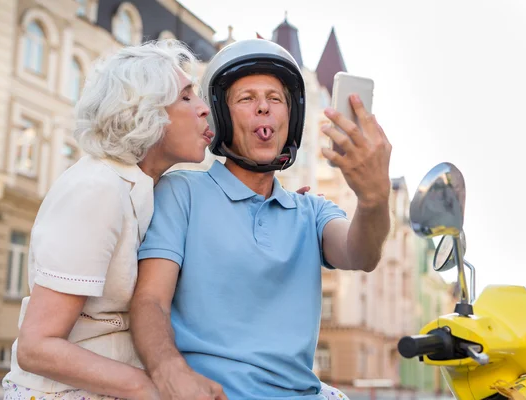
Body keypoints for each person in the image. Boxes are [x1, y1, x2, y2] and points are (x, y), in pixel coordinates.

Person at [130, 39, 391, 400]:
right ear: (221, 116)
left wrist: (374, 198)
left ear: (292, 118)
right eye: (247, 98)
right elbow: (150, 301)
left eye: (276, 98)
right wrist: (169, 371)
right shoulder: (182, 191)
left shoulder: (312, 211)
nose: (264, 108)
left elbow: (362, 254)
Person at [2, 40, 213, 400]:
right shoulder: (96, 188)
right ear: (145, 111)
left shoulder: (150, 187)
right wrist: (154, 390)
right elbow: (36, 346)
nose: (204, 109)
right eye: (186, 97)